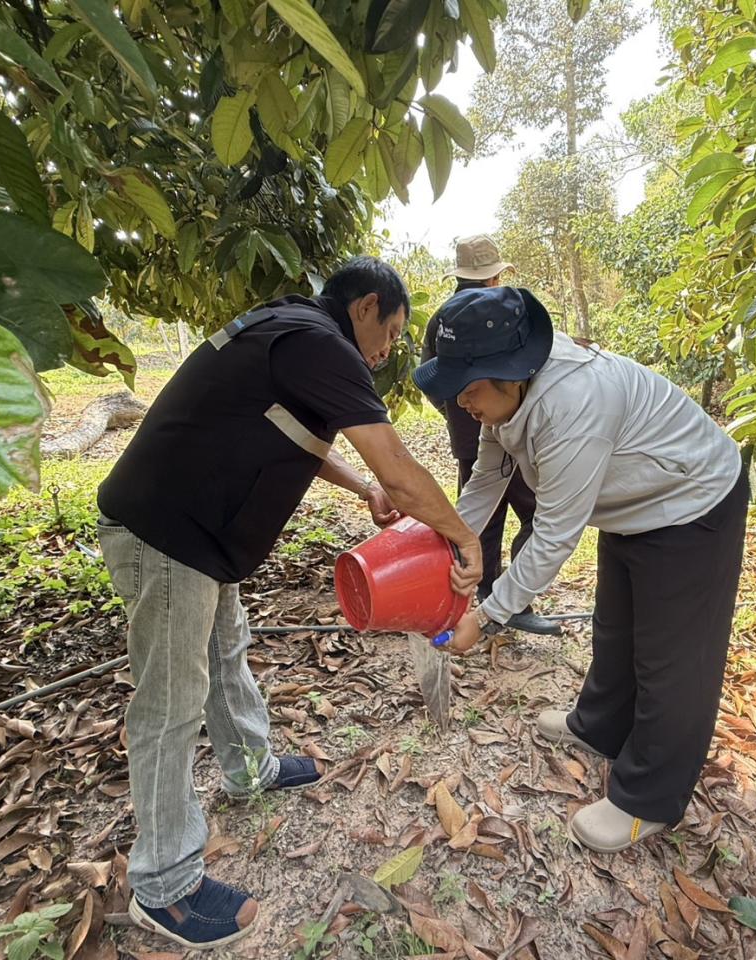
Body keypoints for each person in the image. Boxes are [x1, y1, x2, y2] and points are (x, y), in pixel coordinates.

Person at [95, 257, 482, 949]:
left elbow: (292, 432)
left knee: (226, 652)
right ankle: (165, 887)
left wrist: (359, 486)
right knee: (170, 702)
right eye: (391, 331)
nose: (388, 350)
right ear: (366, 306)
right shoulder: (321, 345)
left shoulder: (288, 326)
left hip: (199, 531)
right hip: (167, 534)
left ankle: (248, 768)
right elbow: (401, 467)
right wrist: (460, 539)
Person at [413, 286, 747, 854]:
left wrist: (490, 614)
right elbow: (488, 477)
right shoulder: (507, 398)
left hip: (692, 503)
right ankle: (600, 725)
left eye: (468, 389)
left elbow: (554, 535)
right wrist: (455, 541)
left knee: (673, 658)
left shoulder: (574, 404)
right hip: (634, 506)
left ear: (510, 373)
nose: (461, 403)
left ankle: (649, 799)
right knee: (616, 627)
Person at [421, 235, 559, 636]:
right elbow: (434, 377)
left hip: (501, 430)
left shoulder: (452, 318)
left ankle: (501, 596)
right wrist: (468, 407)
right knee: (511, 510)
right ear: (493, 277)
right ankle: (492, 598)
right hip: (489, 433)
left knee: (499, 515)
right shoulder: (468, 319)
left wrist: (454, 410)